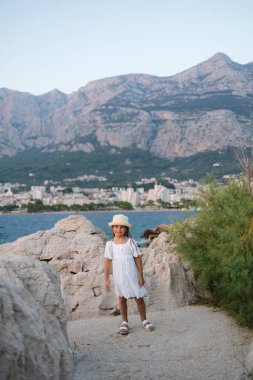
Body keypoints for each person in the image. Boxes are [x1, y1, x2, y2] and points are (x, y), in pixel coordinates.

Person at [104, 214, 154, 335]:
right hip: (119, 276)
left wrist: (141, 276)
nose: (118, 229)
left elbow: (137, 259)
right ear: (112, 228)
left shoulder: (130, 242)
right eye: (116, 227)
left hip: (132, 275)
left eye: (122, 227)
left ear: (126, 229)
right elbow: (107, 261)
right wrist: (106, 279)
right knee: (121, 298)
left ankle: (144, 320)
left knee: (138, 297)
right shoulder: (109, 244)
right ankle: (124, 322)